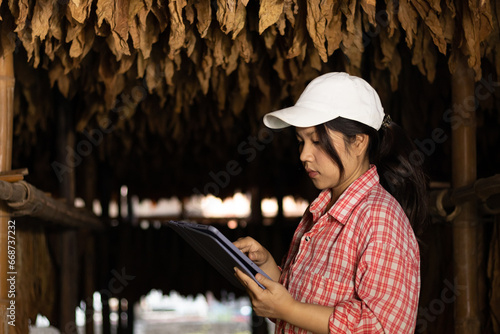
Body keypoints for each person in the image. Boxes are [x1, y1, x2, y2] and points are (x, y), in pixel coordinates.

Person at [233, 72, 428, 333]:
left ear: (358, 142)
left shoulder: (380, 218)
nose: (303, 155)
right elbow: (301, 306)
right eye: (301, 141)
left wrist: (287, 310)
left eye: (317, 141)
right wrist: (267, 265)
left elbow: (382, 327)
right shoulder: (318, 212)